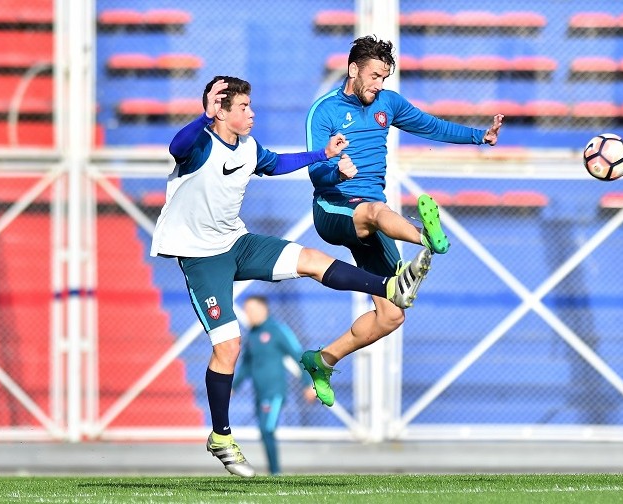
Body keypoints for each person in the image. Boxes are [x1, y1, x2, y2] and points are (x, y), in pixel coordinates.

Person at [150, 75, 431, 478]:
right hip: (201, 259)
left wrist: (322, 153)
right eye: (243, 107)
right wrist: (203, 115)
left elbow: (277, 163)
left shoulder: (247, 147)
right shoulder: (198, 145)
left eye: (250, 105)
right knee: (227, 347)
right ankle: (221, 436)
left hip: (236, 243)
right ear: (220, 112)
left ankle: (389, 287)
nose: (251, 113)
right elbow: (176, 148)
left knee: (311, 259)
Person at [301, 35, 504, 408]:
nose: (379, 85)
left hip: (371, 214)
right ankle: (426, 238)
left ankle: (322, 360)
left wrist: (480, 136)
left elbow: (430, 126)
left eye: (384, 78)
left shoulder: (387, 103)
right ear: (353, 70)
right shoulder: (324, 110)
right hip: (333, 208)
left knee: (392, 315)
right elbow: (316, 171)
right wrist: (337, 174)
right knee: (376, 212)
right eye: (375, 76)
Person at [232, 295, 315, 475]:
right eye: (246, 311)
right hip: (259, 393)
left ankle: (275, 472)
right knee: (264, 432)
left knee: (267, 429)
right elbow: (246, 364)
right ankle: (273, 471)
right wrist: (234, 386)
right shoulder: (252, 334)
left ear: (263, 309)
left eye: (251, 310)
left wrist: (309, 384)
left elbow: (298, 355)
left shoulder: (277, 330)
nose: (248, 314)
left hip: (274, 391)